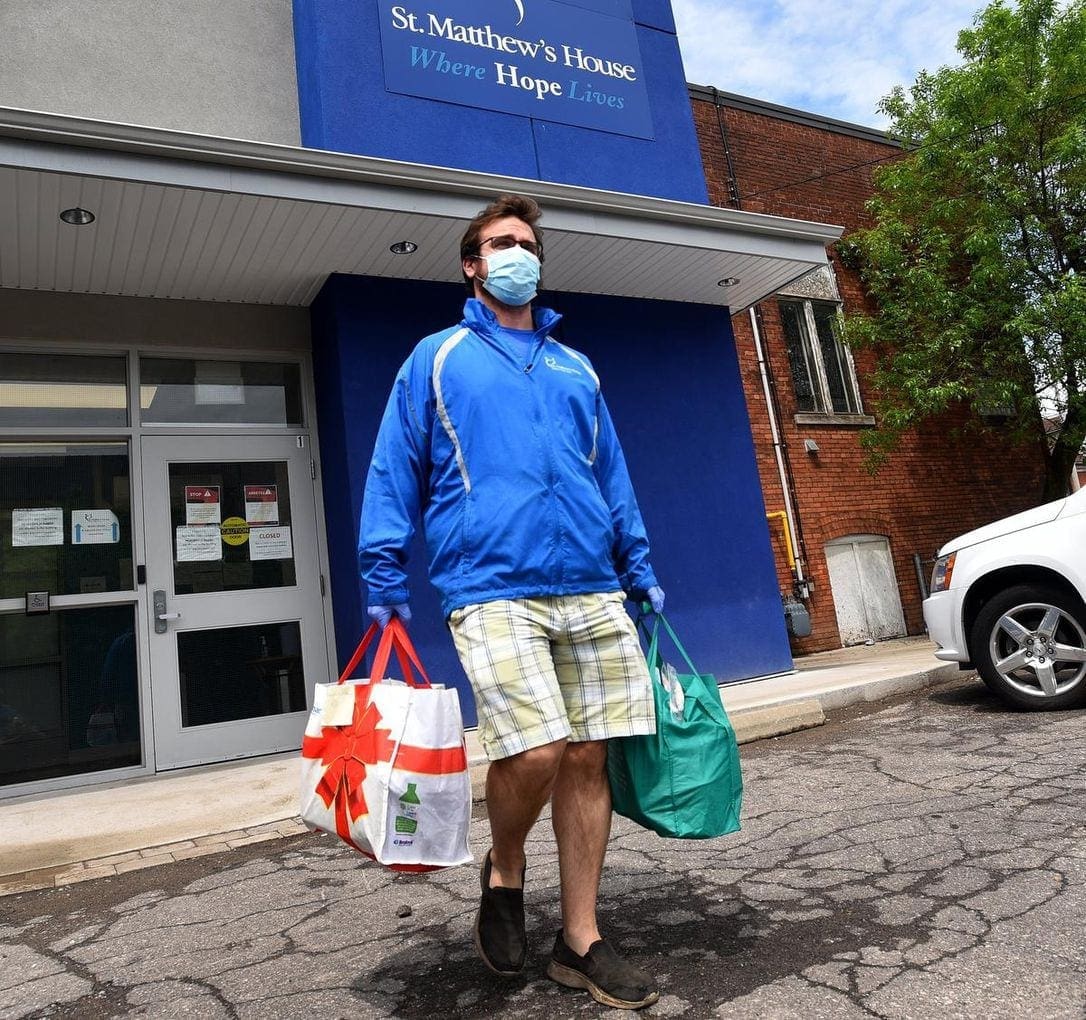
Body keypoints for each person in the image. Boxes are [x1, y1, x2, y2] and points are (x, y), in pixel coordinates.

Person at [359, 193, 665, 1010]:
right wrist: (383, 571)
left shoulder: (575, 367)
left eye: (527, 242)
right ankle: (506, 867)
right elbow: (394, 465)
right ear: (473, 264)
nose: (517, 253)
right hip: (491, 584)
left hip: (591, 583)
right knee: (534, 750)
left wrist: (637, 563)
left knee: (589, 757)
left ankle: (580, 939)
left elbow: (611, 472)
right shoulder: (439, 357)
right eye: (501, 242)